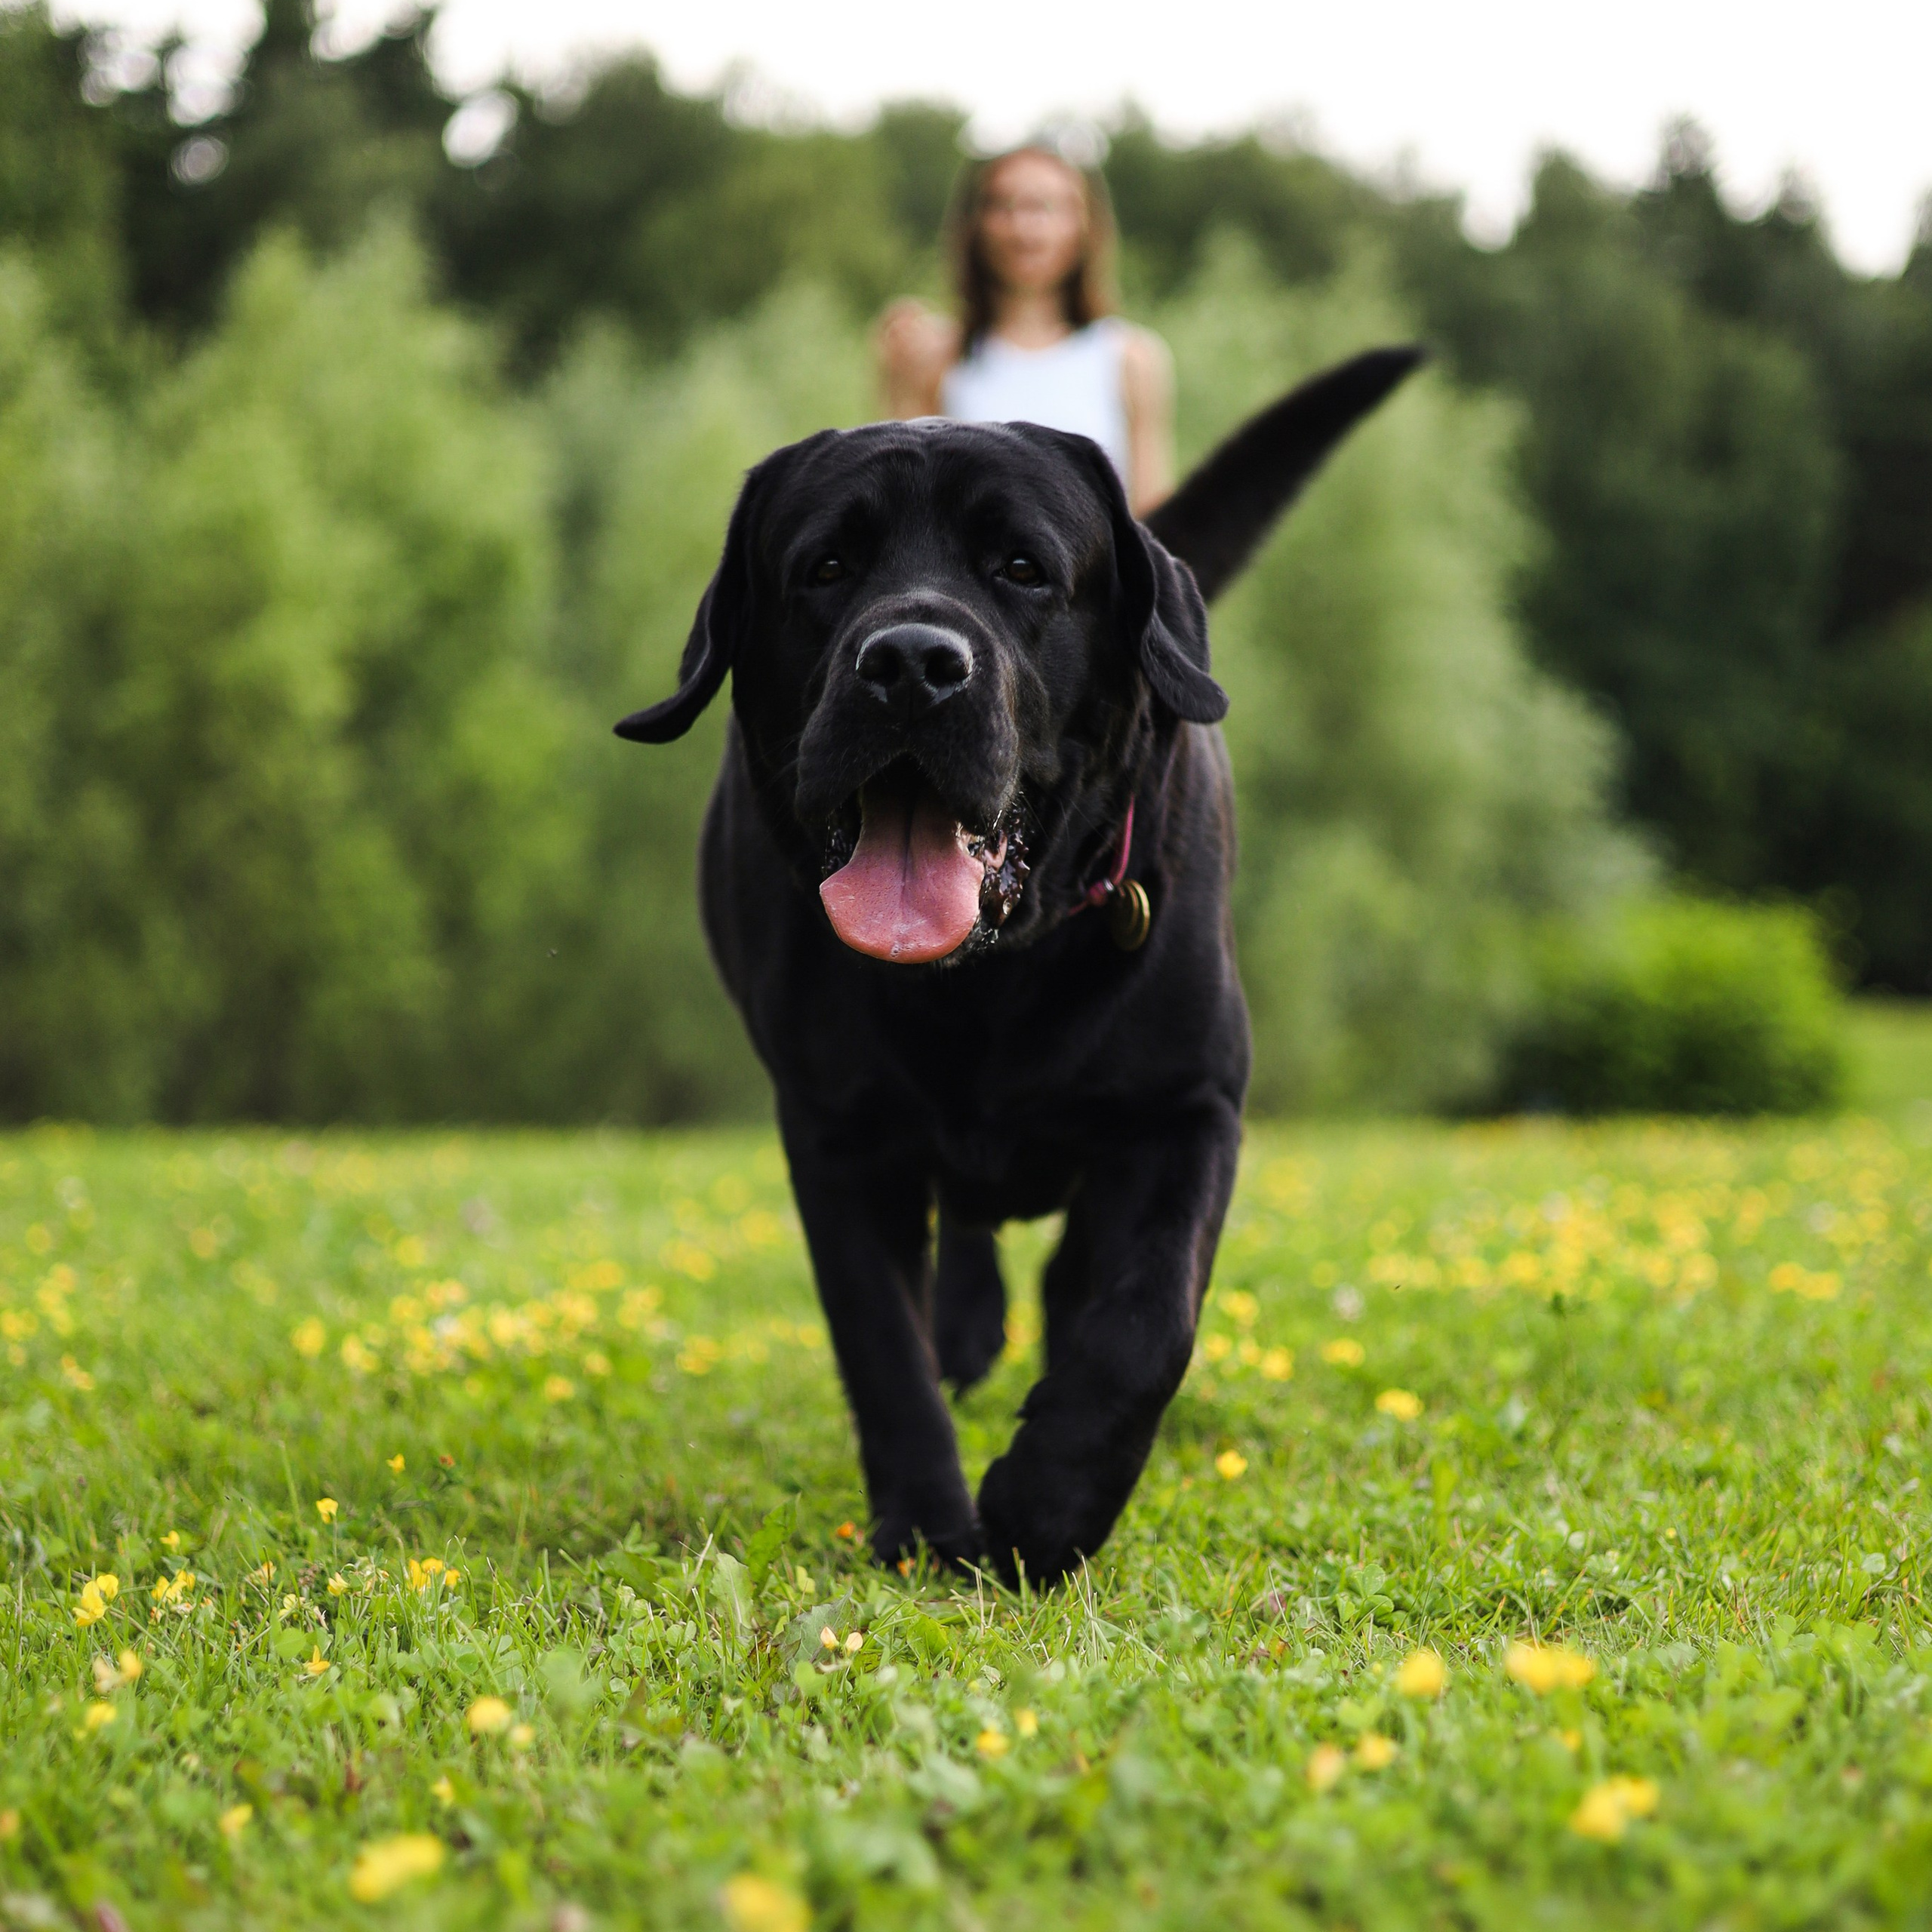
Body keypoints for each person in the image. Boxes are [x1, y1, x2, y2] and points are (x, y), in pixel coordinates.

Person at [877, 145, 1174, 515]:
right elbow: (904, 506)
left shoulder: (1130, 359)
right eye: (1003, 206)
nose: (1025, 227)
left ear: (1084, 224)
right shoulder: (937, 356)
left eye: (1046, 206)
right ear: (975, 224)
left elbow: (1153, 522)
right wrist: (897, 379)